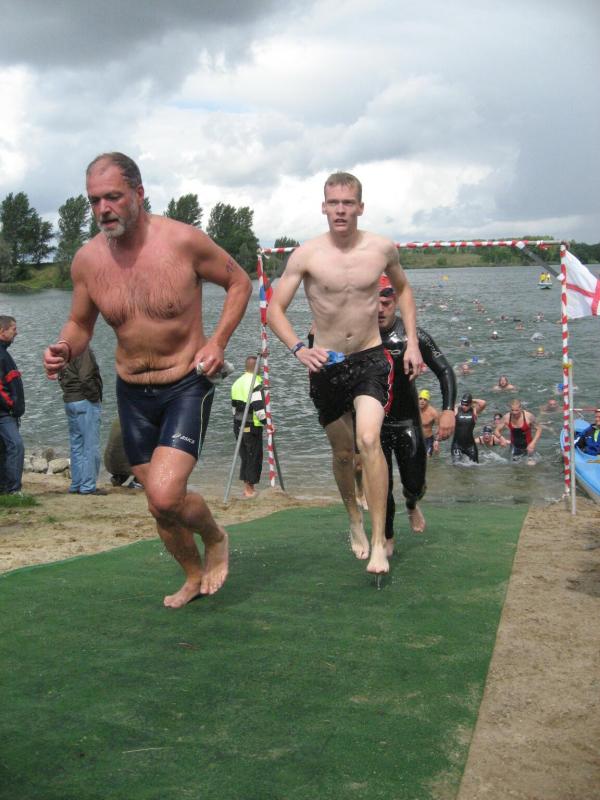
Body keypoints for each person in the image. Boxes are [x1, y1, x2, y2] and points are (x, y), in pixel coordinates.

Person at [43, 152, 252, 608]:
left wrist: (217, 342)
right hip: (132, 391)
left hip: (186, 383)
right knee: (159, 505)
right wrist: (63, 348)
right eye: (94, 200)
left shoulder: (183, 241)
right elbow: (80, 324)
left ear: (138, 193)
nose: (103, 209)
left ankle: (215, 536)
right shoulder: (88, 261)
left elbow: (239, 283)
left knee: (164, 492)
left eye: (113, 196)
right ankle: (192, 574)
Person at [266, 171, 423, 575]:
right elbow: (274, 310)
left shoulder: (381, 248)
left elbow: (404, 289)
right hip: (327, 363)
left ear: (360, 207)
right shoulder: (306, 255)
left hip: (370, 356)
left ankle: (379, 542)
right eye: (334, 203)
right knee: (343, 453)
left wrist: (413, 343)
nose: (340, 210)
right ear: (323, 207)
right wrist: (299, 349)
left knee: (369, 439)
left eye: (348, 203)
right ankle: (353, 517)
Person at [378, 276, 455, 553]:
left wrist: (448, 410)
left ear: (396, 302)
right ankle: (387, 536)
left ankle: (411, 503)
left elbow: (445, 370)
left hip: (407, 422)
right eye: (374, 303)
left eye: (386, 303)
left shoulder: (413, 336)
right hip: (374, 425)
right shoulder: (361, 336)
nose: (380, 309)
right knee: (381, 487)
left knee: (415, 484)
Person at [58, 345, 106, 495]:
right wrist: (94, 397)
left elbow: (61, 376)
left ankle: (76, 484)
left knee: (76, 445)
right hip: (84, 401)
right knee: (90, 445)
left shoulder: (64, 350)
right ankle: (88, 486)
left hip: (70, 401)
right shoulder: (82, 350)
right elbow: (86, 378)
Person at [230, 355, 266, 498]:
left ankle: (247, 488)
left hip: (238, 425)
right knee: (254, 456)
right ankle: (249, 490)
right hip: (251, 426)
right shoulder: (256, 382)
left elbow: (233, 408)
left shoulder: (237, 382)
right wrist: (268, 424)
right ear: (258, 368)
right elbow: (259, 408)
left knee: (245, 456)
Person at [0, 316, 25, 495]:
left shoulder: (4, 353)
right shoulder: (1, 354)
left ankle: (4, 488)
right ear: (2, 331)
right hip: (4, 413)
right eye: (13, 329)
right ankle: (13, 490)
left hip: (5, 411)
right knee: (16, 446)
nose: (16, 333)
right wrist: (12, 406)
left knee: (4, 448)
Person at [103, 417, 142, 488]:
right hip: (131, 466)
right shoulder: (145, 419)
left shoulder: (122, 415)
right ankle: (137, 482)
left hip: (111, 465)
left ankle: (119, 478)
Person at [451, 392, 487, 463]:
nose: (464, 406)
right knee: (457, 466)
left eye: (466, 405)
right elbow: (450, 407)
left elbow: (483, 403)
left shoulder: (474, 411)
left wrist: (472, 400)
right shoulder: (456, 410)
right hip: (457, 445)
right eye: (463, 404)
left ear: (470, 404)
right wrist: (461, 403)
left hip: (470, 445)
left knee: (475, 466)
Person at [417, 390, 440, 456]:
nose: (422, 401)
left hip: (428, 440)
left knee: (427, 457)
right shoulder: (414, 410)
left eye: (425, 399)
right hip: (417, 438)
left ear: (428, 401)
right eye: (420, 398)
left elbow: (439, 427)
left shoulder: (433, 413)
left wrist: (436, 441)